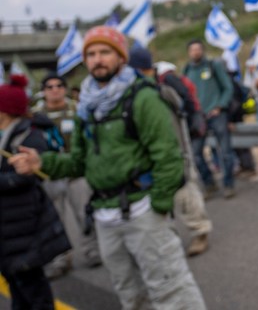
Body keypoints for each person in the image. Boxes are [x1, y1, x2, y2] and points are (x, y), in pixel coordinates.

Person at [9, 26, 206, 309]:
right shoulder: (86, 106)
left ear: (121, 57)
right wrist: (43, 163)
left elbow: (168, 156)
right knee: (128, 293)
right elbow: (78, 161)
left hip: (143, 210)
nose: (97, 59)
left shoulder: (142, 97)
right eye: (90, 54)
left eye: (104, 52)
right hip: (105, 216)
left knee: (171, 290)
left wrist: (158, 205)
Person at [128, 46, 213, 257]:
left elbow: (182, 108)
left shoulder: (164, 83)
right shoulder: (130, 91)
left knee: (186, 192)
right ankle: (170, 237)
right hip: (151, 153)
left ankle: (200, 232)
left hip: (177, 149)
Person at [1, 75, 71, 310]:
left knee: (35, 291)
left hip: (23, 225)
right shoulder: (5, 136)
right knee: (18, 290)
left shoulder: (27, 136)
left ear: (5, 111)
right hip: (8, 229)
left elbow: (26, 177)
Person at [31, 73, 102, 278]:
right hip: (49, 174)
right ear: (43, 91)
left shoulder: (76, 110)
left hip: (75, 173)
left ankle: (92, 251)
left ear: (65, 88)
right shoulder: (35, 116)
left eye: (59, 85)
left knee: (85, 213)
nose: (55, 89)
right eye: (50, 86)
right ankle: (60, 259)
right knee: (55, 219)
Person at [183, 39, 235, 199]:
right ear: (189, 52)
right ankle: (209, 183)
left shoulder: (214, 66)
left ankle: (228, 185)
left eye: (198, 49)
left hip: (217, 115)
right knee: (196, 154)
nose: (195, 52)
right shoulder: (187, 70)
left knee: (225, 152)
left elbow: (228, 87)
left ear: (202, 50)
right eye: (192, 50)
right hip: (199, 118)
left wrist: (220, 106)